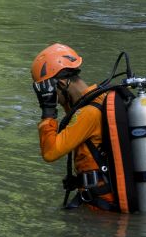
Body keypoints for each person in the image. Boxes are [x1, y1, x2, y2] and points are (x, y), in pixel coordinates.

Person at [31, 43, 118, 210]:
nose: (49, 97)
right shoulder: (100, 98)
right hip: (101, 206)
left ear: (62, 84)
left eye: (48, 91)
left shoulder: (88, 114)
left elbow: (50, 153)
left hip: (103, 213)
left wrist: (48, 111)